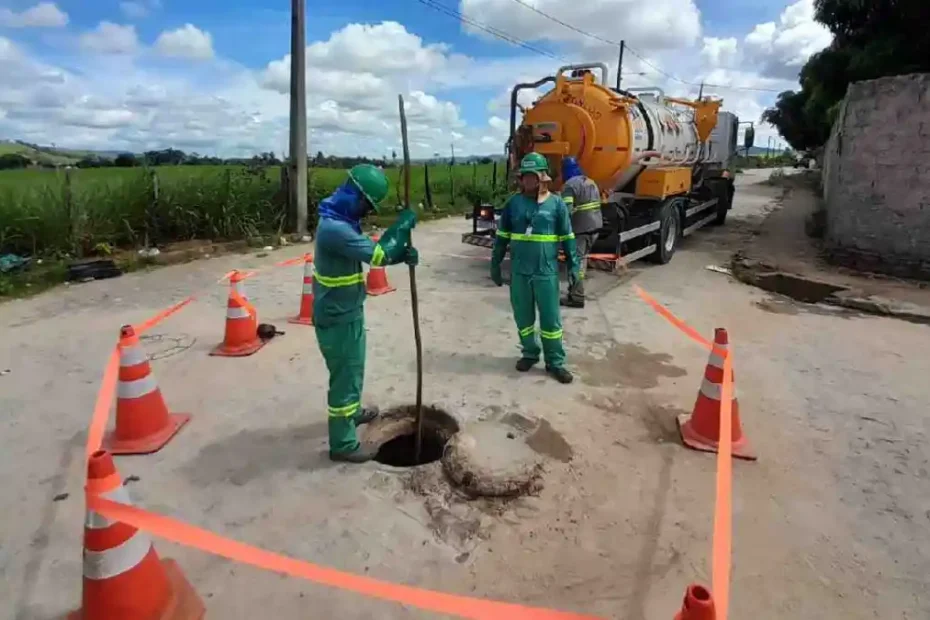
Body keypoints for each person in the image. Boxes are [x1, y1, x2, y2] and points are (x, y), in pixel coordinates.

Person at [313, 164, 419, 463]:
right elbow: (378, 255)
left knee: (354, 369)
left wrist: (401, 255)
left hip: (347, 310)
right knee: (345, 376)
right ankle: (343, 444)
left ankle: (352, 413)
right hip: (337, 316)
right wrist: (401, 227)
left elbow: (372, 252)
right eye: (366, 205)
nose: (366, 212)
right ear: (355, 195)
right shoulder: (335, 229)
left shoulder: (339, 221)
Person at [490, 153, 579, 384]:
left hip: (546, 273)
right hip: (520, 273)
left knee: (551, 322)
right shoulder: (513, 204)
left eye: (532, 177)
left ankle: (555, 362)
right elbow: (501, 238)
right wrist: (495, 264)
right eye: (524, 177)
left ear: (542, 178)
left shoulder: (556, 204)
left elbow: (568, 237)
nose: (527, 182)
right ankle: (529, 353)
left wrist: (573, 267)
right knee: (524, 319)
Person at [559, 157, 603, 309]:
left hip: (581, 229)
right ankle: (574, 291)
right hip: (596, 227)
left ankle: (576, 297)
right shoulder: (590, 181)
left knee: (574, 262)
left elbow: (567, 211)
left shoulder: (569, 185)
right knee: (581, 261)